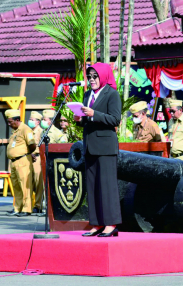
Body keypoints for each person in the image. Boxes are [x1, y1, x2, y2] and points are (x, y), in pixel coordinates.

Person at [73, 62, 122, 237]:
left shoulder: (112, 94)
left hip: (106, 147)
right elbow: (87, 121)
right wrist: (80, 119)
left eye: (95, 76)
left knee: (107, 187)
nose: (92, 80)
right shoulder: (87, 95)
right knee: (92, 187)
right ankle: (96, 223)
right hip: (90, 146)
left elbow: (115, 119)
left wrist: (94, 114)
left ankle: (111, 224)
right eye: (90, 76)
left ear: (103, 76)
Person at [5, 109, 36, 217]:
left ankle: (27, 209)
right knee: (16, 186)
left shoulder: (25, 129)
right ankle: (18, 208)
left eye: (10, 122)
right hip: (14, 162)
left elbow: (32, 144)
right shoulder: (15, 131)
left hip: (22, 160)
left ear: (17, 120)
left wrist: (27, 153)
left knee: (25, 186)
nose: (9, 124)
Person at [28, 111, 45, 214]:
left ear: (38, 122)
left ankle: (38, 205)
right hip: (28, 157)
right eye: (29, 119)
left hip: (37, 158)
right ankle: (28, 205)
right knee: (29, 183)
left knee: (38, 183)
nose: (30, 121)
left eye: (32, 120)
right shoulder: (28, 131)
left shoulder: (41, 132)